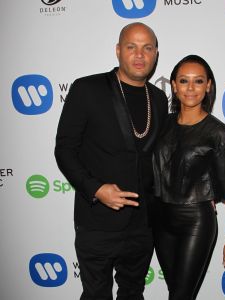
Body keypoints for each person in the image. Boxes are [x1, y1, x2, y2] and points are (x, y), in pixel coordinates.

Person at [54, 22, 168, 300]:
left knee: (133, 294)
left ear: (155, 54)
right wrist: (95, 189)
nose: (139, 55)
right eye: (131, 47)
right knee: (96, 295)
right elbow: (65, 150)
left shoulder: (159, 98)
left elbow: (162, 159)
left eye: (147, 48)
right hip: (97, 223)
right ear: (118, 50)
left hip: (142, 225)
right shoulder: (87, 89)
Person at [152, 54, 225, 300]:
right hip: (160, 221)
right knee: (177, 293)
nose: (190, 88)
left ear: (208, 86)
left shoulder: (218, 133)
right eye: (183, 81)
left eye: (198, 81)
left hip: (195, 222)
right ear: (173, 85)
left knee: (180, 296)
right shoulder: (162, 124)